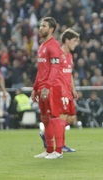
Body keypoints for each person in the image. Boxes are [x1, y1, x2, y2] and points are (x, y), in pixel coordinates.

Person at [38, 28, 80, 152]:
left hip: (68, 90)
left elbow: (69, 73)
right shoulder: (57, 54)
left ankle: (48, 134)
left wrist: (73, 88)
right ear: (66, 40)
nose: (76, 44)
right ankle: (59, 144)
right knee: (61, 117)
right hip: (59, 91)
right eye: (74, 41)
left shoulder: (70, 56)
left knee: (71, 119)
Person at [32, 17, 65, 159]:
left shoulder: (53, 45)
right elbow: (41, 70)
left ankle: (59, 151)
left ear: (51, 29)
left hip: (51, 87)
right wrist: (35, 88)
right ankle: (49, 149)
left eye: (44, 26)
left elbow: (55, 68)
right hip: (42, 87)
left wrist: (47, 86)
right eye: (40, 25)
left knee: (54, 117)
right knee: (45, 119)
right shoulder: (42, 46)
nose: (40, 28)